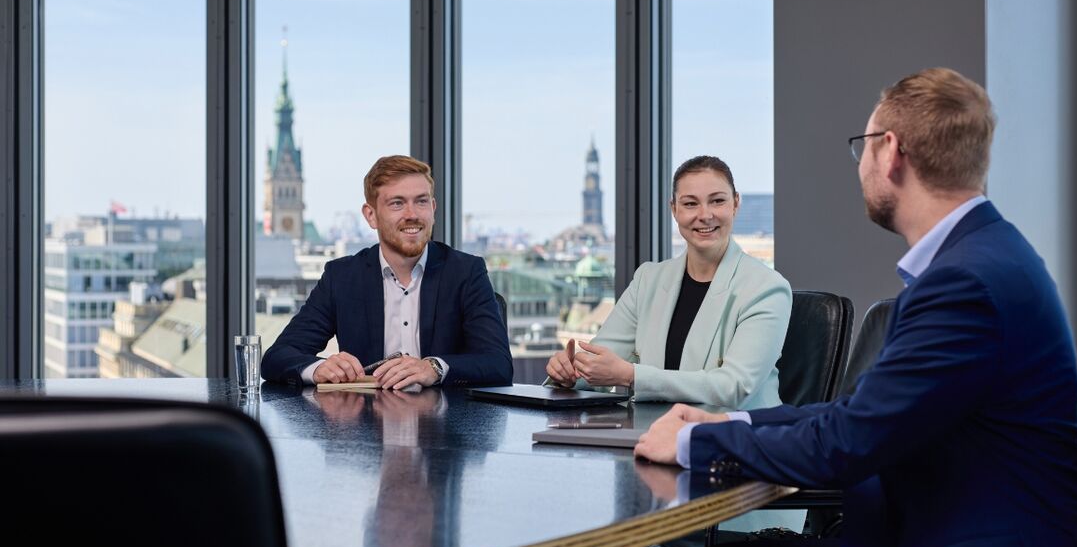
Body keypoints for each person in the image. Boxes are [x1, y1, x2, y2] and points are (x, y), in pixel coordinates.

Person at [634, 68, 1077, 547]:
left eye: (864, 148)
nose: (861, 168)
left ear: (892, 152)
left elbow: (847, 443)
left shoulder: (965, 283)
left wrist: (697, 440)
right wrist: (729, 418)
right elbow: (854, 414)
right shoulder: (981, 257)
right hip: (940, 539)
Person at [544, 155, 791, 410]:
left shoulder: (766, 288)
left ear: (735, 204)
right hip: (653, 436)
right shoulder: (648, 280)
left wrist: (632, 375)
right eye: (690, 204)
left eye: (717, 201)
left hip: (735, 440)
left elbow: (736, 387)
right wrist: (568, 374)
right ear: (674, 209)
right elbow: (599, 362)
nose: (705, 215)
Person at [262, 155, 512, 389]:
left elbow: (498, 364)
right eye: (397, 203)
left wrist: (434, 367)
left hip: (448, 428)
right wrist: (319, 369)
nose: (412, 214)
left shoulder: (466, 272)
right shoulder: (342, 277)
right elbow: (277, 357)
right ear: (371, 215)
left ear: (433, 209)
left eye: (421, 201)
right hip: (365, 428)